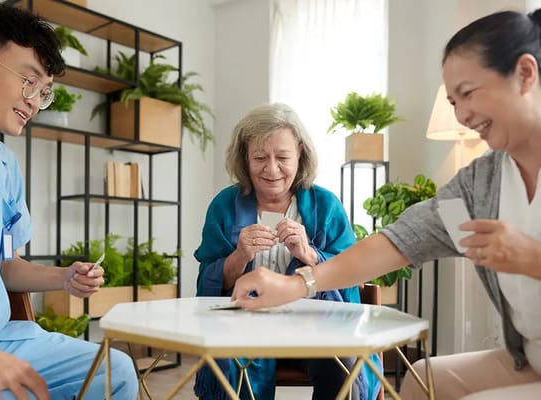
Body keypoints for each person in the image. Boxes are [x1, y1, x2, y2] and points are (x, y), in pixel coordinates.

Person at [231, 8, 541, 400]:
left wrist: (532, 258)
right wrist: (296, 283)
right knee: (421, 381)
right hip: (530, 358)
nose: (462, 115)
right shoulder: (481, 183)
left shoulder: (321, 204)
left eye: (468, 93)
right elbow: (400, 240)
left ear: (525, 74)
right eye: (452, 101)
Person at [0, 3, 138, 399]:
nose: (34, 101)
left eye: (44, 92)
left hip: (2, 338)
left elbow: (2, 265)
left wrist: (63, 277)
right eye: (27, 81)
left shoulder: (5, 166)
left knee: (115, 371)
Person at [193, 102, 382, 400]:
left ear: (300, 156)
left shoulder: (325, 205)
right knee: (229, 366)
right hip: (245, 326)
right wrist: (239, 255)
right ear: (245, 159)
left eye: (282, 157)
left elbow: (349, 275)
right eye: (259, 157)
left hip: (316, 328)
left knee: (345, 367)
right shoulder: (224, 206)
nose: (271, 169)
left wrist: (310, 255)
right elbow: (206, 284)